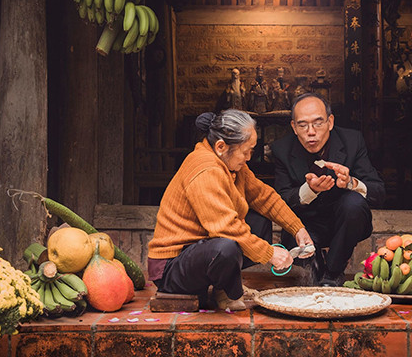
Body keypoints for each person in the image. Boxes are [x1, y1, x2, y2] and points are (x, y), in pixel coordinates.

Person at [148, 109, 314, 310]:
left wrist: (297, 228)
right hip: (171, 269)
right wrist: (269, 253)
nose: (249, 157)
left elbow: (264, 197)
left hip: (200, 251)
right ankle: (228, 290)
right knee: (225, 248)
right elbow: (225, 228)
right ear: (220, 146)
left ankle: (223, 284)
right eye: (246, 151)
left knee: (258, 223)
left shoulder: (233, 165)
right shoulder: (205, 168)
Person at [270, 93, 385, 286]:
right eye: (303, 125)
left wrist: (351, 183)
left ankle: (333, 272)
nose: (311, 132)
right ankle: (317, 265)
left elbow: (379, 193)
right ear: (294, 128)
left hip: (343, 223)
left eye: (318, 123)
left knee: (354, 203)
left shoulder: (352, 141)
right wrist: (309, 191)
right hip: (305, 225)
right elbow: (279, 200)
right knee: (310, 267)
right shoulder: (282, 149)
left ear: (330, 122)